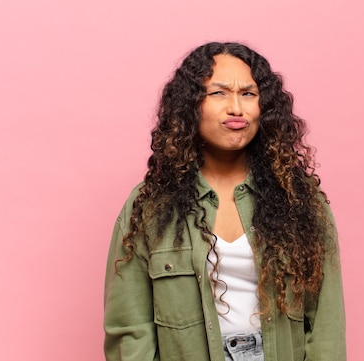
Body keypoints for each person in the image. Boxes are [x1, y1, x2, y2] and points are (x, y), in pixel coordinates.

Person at [104, 42, 346, 361]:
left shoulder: (299, 199)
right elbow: (129, 327)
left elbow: (326, 325)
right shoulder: (150, 205)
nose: (236, 108)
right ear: (190, 106)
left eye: (248, 93)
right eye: (218, 93)